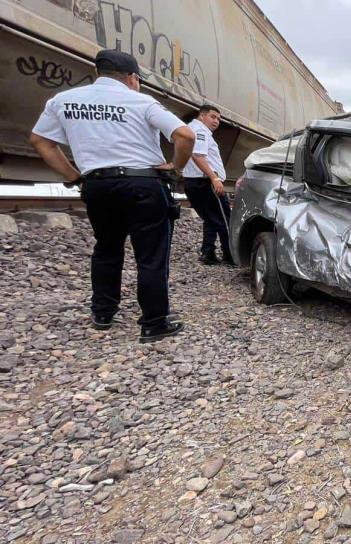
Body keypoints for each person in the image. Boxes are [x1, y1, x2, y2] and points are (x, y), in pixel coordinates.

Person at [29, 49, 196, 343]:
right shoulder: (141, 101)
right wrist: (175, 166)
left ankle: (103, 312)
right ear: (132, 78)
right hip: (143, 183)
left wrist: (74, 177)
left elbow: (40, 141)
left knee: (106, 247)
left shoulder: (63, 101)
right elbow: (185, 135)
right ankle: (154, 323)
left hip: (98, 184)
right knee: (151, 255)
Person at [182, 105, 233, 265]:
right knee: (225, 220)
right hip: (205, 182)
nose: (216, 121)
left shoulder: (191, 129)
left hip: (194, 182)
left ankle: (208, 252)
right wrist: (214, 178)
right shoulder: (201, 131)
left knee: (211, 219)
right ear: (202, 116)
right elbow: (198, 155)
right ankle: (230, 256)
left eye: (218, 118)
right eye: (213, 116)